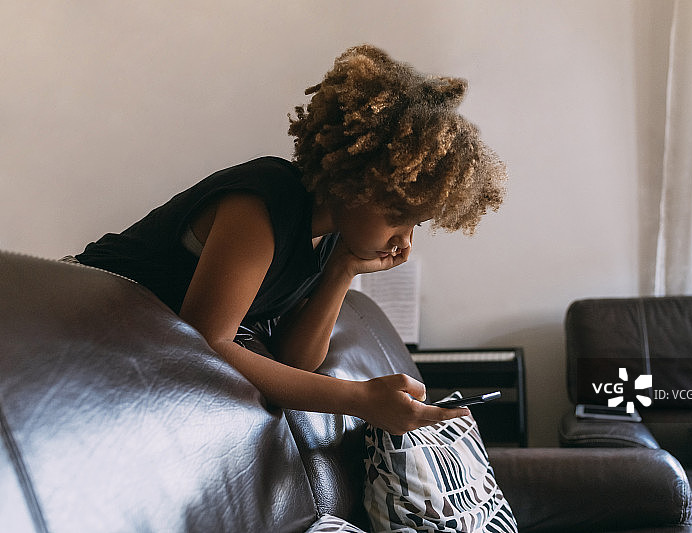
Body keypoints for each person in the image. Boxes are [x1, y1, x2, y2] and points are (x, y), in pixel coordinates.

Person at [71, 44, 507, 434]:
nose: (404, 241)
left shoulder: (331, 236)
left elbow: (295, 360)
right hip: (80, 322)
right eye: (398, 217)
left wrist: (344, 268)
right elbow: (209, 342)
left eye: (417, 224)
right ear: (353, 182)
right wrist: (360, 401)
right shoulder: (264, 203)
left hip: (128, 342)